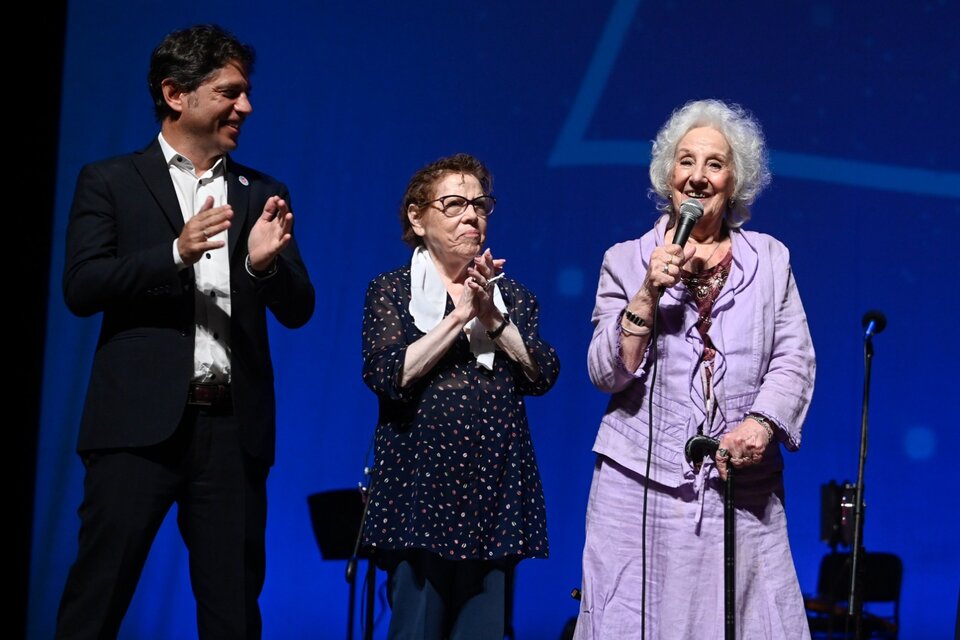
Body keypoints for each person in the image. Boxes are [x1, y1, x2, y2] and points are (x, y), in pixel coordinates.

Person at [56, 24, 315, 639]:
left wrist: (262, 266)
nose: (245, 107)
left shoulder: (263, 193)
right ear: (176, 95)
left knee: (232, 614)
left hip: (231, 433)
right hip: (135, 432)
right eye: (230, 92)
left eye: (245, 93)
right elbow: (82, 287)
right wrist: (174, 251)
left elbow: (299, 308)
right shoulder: (110, 181)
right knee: (97, 601)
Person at [573, 99, 816, 639]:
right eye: (686, 161)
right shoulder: (626, 259)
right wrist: (646, 291)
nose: (698, 177)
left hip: (741, 482)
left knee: (749, 618)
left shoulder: (771, 260)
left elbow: (792, 357)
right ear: (668, 175)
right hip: (637, 484)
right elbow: (603, 372)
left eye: (714, 164)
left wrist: (762, 423)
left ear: (735, 183)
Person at [359, 153, 560, 639]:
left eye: (481, 205)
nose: (472, 216)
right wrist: (458, 316)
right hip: (418, 494)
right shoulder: (392, 291)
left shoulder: (512, 296)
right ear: (416, 216)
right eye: (454, 204)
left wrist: (492, 316)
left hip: (494, 495)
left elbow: (542, 373)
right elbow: (389, 374)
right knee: (415, 627)